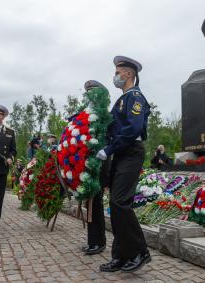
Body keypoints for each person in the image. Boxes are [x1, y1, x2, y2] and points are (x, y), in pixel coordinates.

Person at [96, 56, 151, 272]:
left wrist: (108, 149)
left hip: (130, 153)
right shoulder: (121, 100)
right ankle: (120, 256)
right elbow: (112, 128)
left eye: (118, 72)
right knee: (116, 206)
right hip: (120, 153)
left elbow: (133, 129)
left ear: (129, 74)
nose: (115, 76)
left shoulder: (134, 97)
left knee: (120, 203)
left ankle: (140, 251)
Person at [80, 80, 110, 256]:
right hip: (87, 166)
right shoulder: (85, 116)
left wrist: (105, 177)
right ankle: (93, 241)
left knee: (96, 205)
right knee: (90, 204)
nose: (90, 96)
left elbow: (107, 146)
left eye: (93, 92)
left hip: (99, 167)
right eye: (88, 92)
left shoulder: (104, 117)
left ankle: (99, 242)